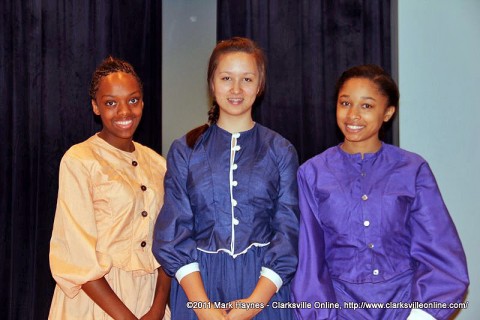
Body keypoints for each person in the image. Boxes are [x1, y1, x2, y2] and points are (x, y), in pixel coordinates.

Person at [291, 64, 469, 320]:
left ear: (388, 112)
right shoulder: (312, 173)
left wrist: (423, 315)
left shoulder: (413, 169)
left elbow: (439, 248)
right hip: (340, 309)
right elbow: (310, 260)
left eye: (366, 106)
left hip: (405, 308)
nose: (353, 115)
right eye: (345, 103)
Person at [152, 37, 299, 320]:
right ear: (212, 82)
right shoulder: (185, 150)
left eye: (246, 79)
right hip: (198, 288)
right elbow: (174, 231)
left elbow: (288, 233)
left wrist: (254, 304)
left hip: (265, 289)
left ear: (260, 85)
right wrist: (205, 309)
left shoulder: (280, 150)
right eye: (226, 78)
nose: (236, 89)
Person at [49, 56, 171, 320]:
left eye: (133, 100)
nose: (124, 111)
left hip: (150, 301)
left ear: (143, 102)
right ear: (95, 107)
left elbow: (168, 243)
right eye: (111, 103)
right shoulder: (80, 160)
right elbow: (75, 252)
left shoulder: (158, 164)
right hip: (96, 302)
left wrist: (159, 308)